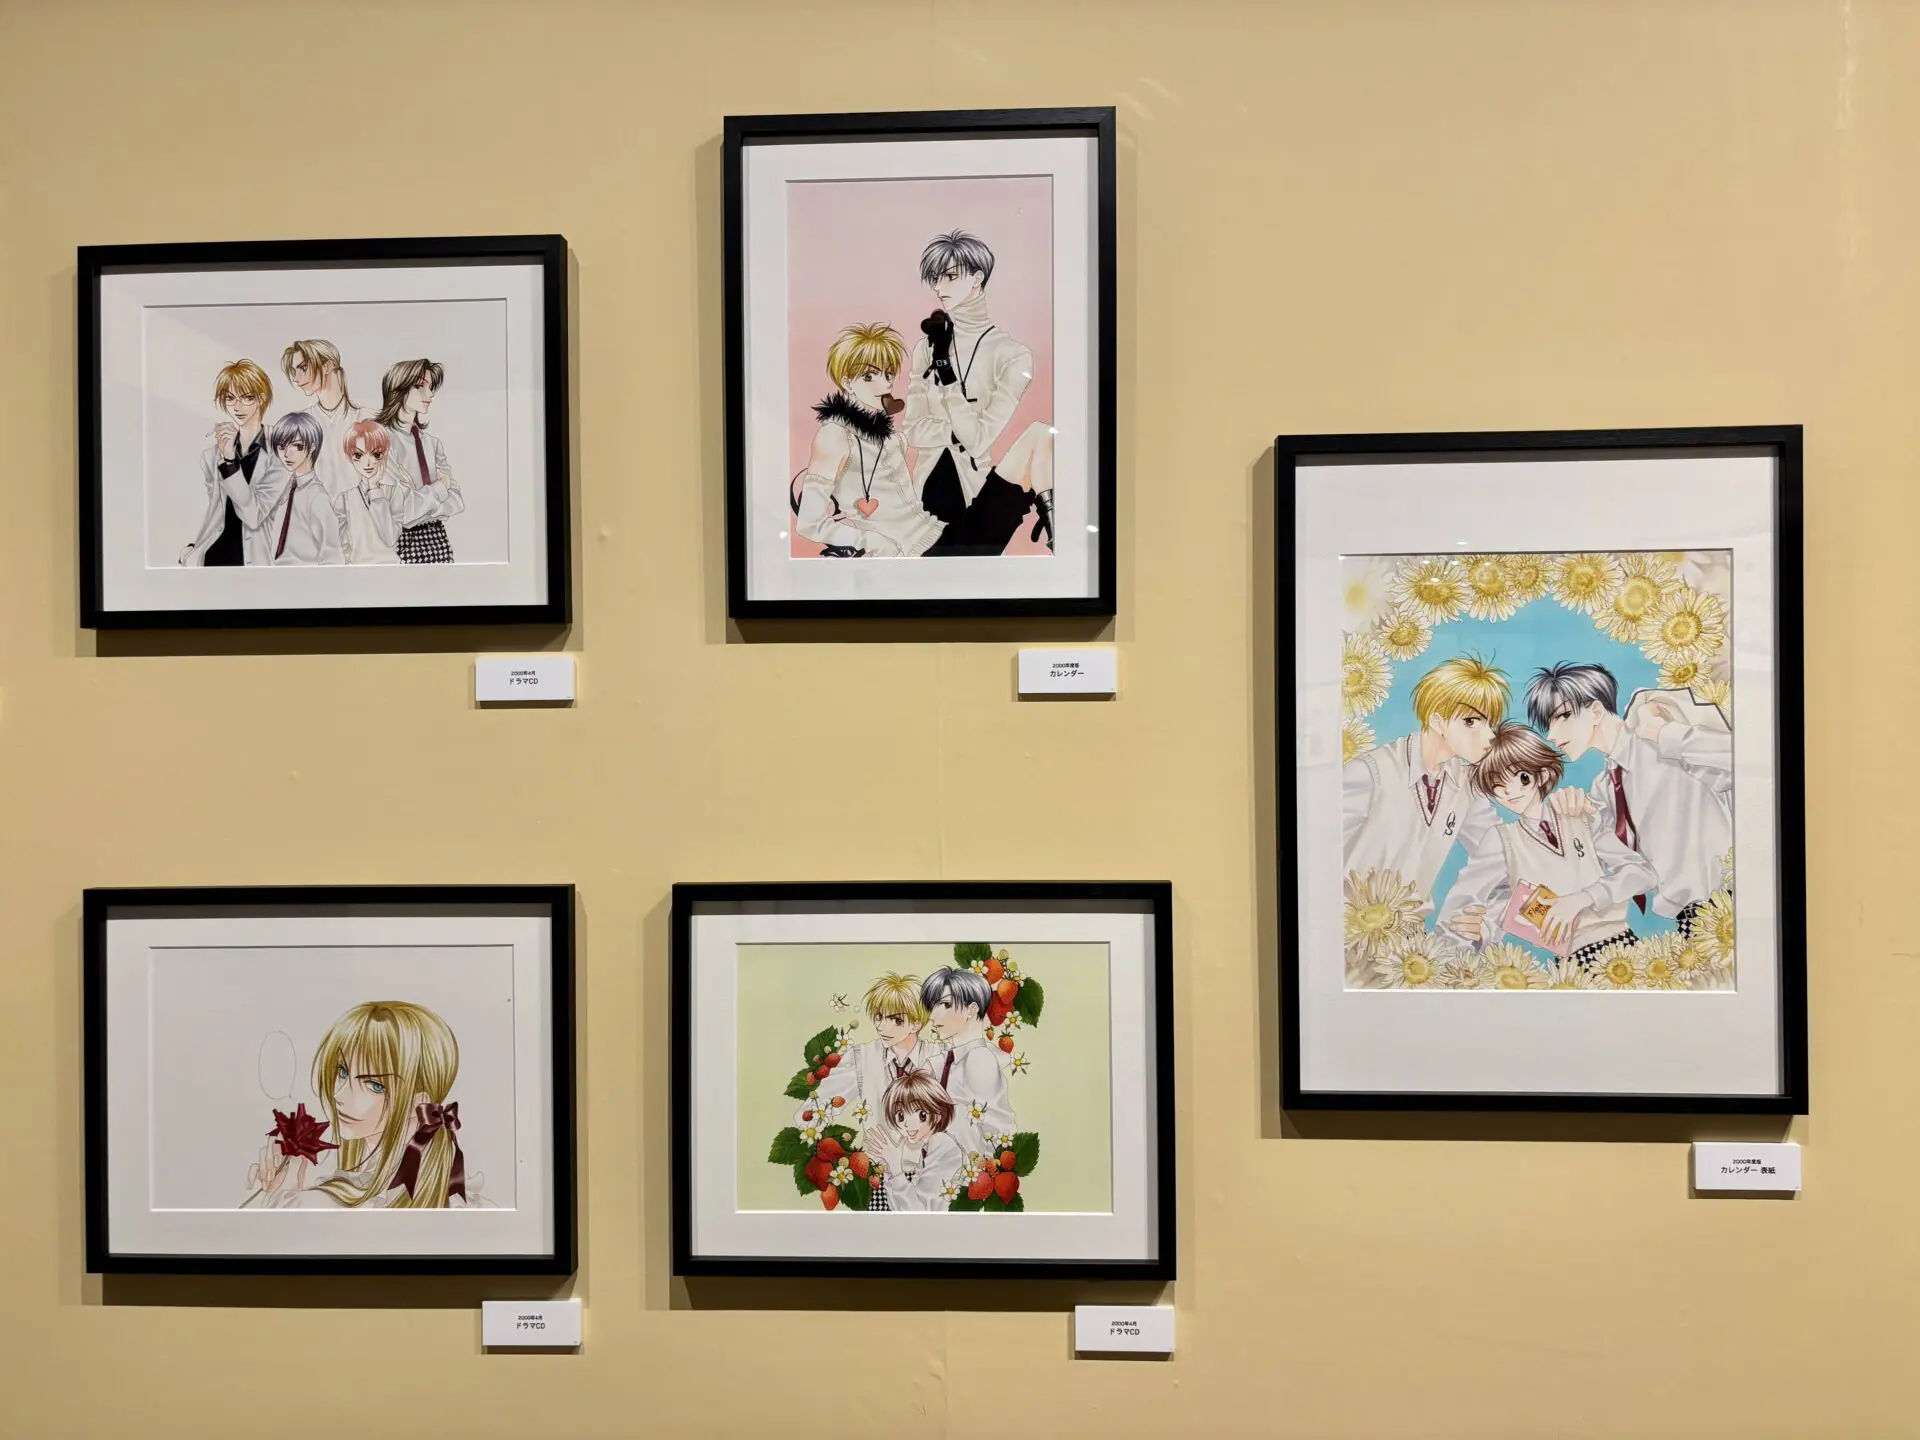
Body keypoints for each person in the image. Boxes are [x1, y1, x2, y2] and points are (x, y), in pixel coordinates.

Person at [1526, 663, 1733, 934]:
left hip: (1735, 897)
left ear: (1596, 711)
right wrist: (1579, 823)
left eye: (1563, 716)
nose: (1552, 736)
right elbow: (1636, 870)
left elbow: (1746, 763)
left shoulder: (1658, 733)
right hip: (1691, 920)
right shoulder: (1604, 788)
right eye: (1548, 724)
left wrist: (1665, 733)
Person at [1441, 722, 1658, 965]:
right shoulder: (1502, 839)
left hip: (1625, 945)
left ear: (1541, 775)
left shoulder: (1579, 815)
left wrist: (1582, 898)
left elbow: (1643, 874)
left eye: (1521, 778)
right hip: (1573, 962)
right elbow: (1490, 902)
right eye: (1497, 785)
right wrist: (1482, 932)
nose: (1509, 792)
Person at [902, 230, 1057, 554]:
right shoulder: (925, 348)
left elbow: (977, 442)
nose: (939, 288)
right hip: (925, 519)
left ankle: (1059, 535)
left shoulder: (1013, 355)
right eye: (935, 279)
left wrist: (946, 376)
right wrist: (955, 432)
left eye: (949, 277)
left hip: (977, 509)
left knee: (1042, 435)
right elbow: (913, 431)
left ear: (977, 277)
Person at [246, 1001, 474, 1209]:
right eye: (342, 1072)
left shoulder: (325, 1203)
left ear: (420, 1102)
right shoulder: (457, 1197)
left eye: (374, 1085)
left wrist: (281, 1198)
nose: (338, 1094)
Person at [1342, 655, 1509, 916]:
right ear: (1437, 721)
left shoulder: (1466, 784)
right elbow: (1317, 856)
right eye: (1471, 721)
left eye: (1490, 723)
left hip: (1411, 933)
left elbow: (1501, 856)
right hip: (1349, 927)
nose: (1489, 736)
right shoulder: (1371, 773)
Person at [795, 324, 945, 557]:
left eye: (888, 374)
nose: (885, 384)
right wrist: (873, 542)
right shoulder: (835, 435)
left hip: (938, 535)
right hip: (910, 553)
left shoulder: (890, 438)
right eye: (869, 376)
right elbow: (809, 523)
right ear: (847, 383)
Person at [805, 972, 937, 1156]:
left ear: (915, 1024)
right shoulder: (862, 1057)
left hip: (930, 1166)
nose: (881, 1026)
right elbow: (816, 1108)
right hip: (877, 1166)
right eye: (879, 1016)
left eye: (896, 1020)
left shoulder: (938, 1056)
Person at [179, 360, 282, 567]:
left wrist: (230, 462)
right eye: (230, 398)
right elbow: (215, 509)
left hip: (252, 560)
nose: (237, 407)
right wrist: (195, 546)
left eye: (247, 398)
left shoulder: (280, 450)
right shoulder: (212, 455)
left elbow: (253, 516)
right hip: (213, 556)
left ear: (261, 398)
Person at [919, 966, 1013, 1162]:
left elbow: (997, 1130)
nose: (933, 1016)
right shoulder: (945, 1060)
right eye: (933, 1006)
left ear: (971, 1010)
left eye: (945, 1005)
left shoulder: (979, 1059)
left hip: (970, 1171)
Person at [376, 358, 465, 563]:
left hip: (438, 539)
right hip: (402, 543)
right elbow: (402, 512)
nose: (430, 394)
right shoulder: (382, 442)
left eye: (430, 387)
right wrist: (440, 488)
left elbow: (457, 501)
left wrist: (419, 501)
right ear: (398, 389)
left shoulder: (432, 443)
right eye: (420, 386)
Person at [280, 339, 367, 501]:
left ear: (327, 366)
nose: (296, 379)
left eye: (303, 368)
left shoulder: (366, 418)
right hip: (314, 510)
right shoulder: (301, 423)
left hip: (361, 510)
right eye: (294, 371)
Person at [256, 413, 345, 565]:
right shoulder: (283, 489)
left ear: (312, 447)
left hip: (307, 575)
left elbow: (332, 555)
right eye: (282, 446)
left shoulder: (317, 497)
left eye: (297, 446)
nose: (286, 454)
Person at [873, 1070, 966, 1213]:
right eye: (900, 1116)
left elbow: (919, 1212)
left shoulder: (942, 1144)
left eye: (921, 1115)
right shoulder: (927, 1149)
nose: (907, 1124)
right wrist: (891, 1168)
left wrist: (896, 1169)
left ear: (937, 1115)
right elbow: (901, 1211)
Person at [332, 421, 400, 565]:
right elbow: (339, 544)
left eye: (376, 454)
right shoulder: (344, 499)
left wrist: (374, 489)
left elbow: (390, 538)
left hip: (391, 567)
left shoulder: (394, 492)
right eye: (358, 455)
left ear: (385, 454)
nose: (367, 463)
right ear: (349, 457)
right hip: (357, 569)